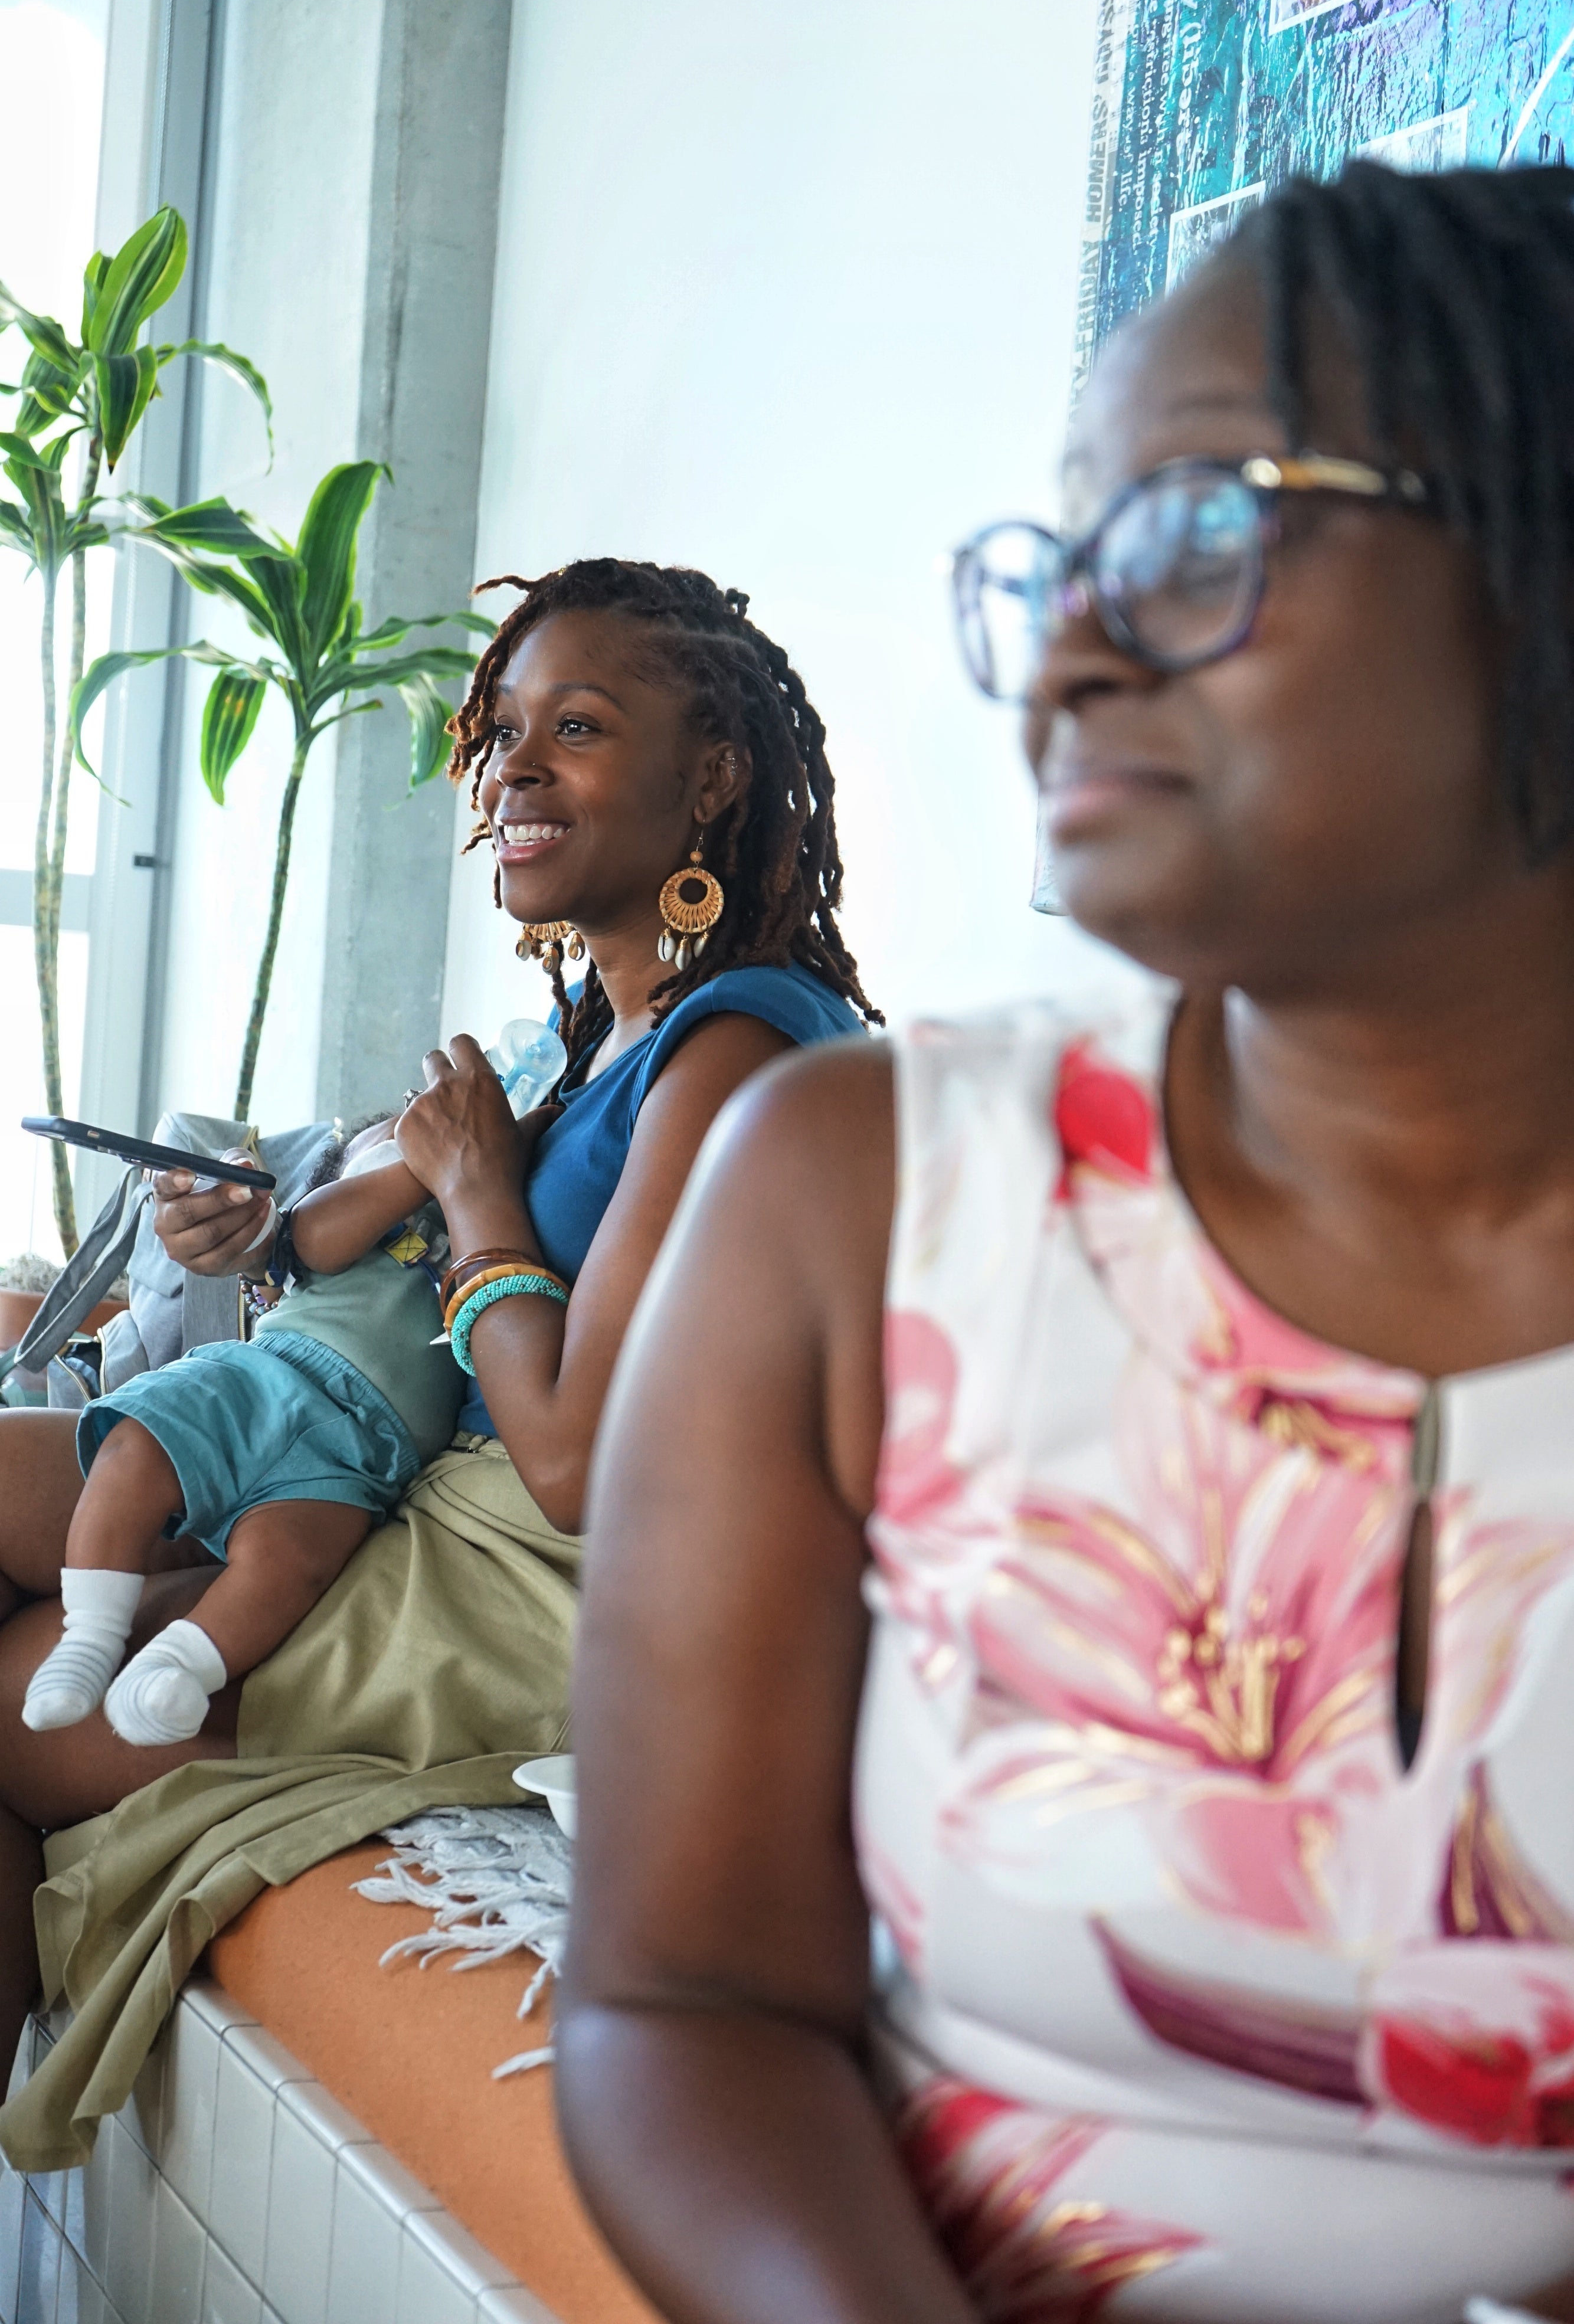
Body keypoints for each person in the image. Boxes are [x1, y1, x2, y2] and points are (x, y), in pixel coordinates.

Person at [557, 165, 1574, 2322]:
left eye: (1202, 522)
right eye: (1059, 555)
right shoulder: (863, 1191)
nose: (1070, 652)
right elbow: (681, 1996)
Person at [0, 558, 879, 2164]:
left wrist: (478, 1193)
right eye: (503, 735)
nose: (513, 770)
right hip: (403, 1469)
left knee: (16, 1705)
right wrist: (263, 1236)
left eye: (579, 729)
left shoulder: (744, 1047)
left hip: (544, 1572)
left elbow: (571, 1457)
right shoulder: (591, 1032)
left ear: (713, 780)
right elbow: (429, 1275)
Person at [20, 1117, 463, 1746]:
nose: (419, 1127)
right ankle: (90, 1636)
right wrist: (428, 1159)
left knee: (292, 1562)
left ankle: (176, 1667)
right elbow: (322, 1232)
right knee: (135, 1453)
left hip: (361, 1451)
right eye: (393, 1131)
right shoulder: (334, 1228)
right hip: (265, 1382)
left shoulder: (474, 1228)